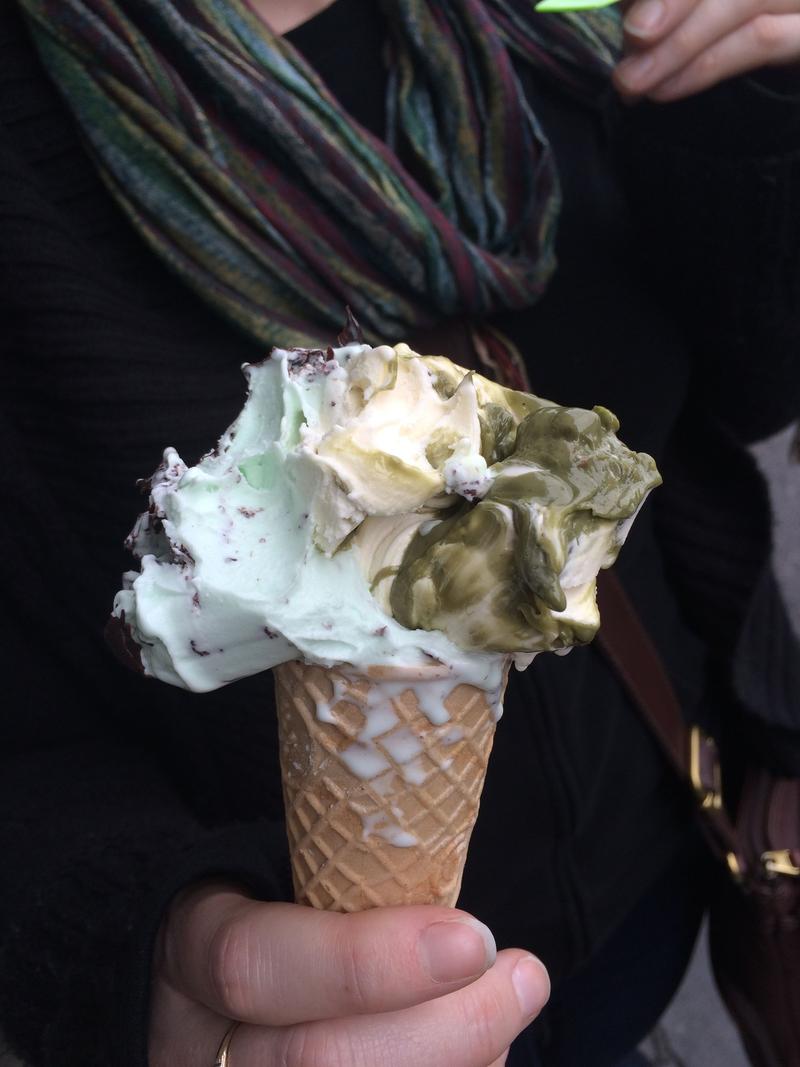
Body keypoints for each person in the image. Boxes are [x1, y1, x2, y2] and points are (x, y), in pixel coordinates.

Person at [1, 1, 799, 1065]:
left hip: (667, 854)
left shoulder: (573, 20)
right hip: (300, 1013)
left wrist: (757, 98)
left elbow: (741, 391)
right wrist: (126, 941)